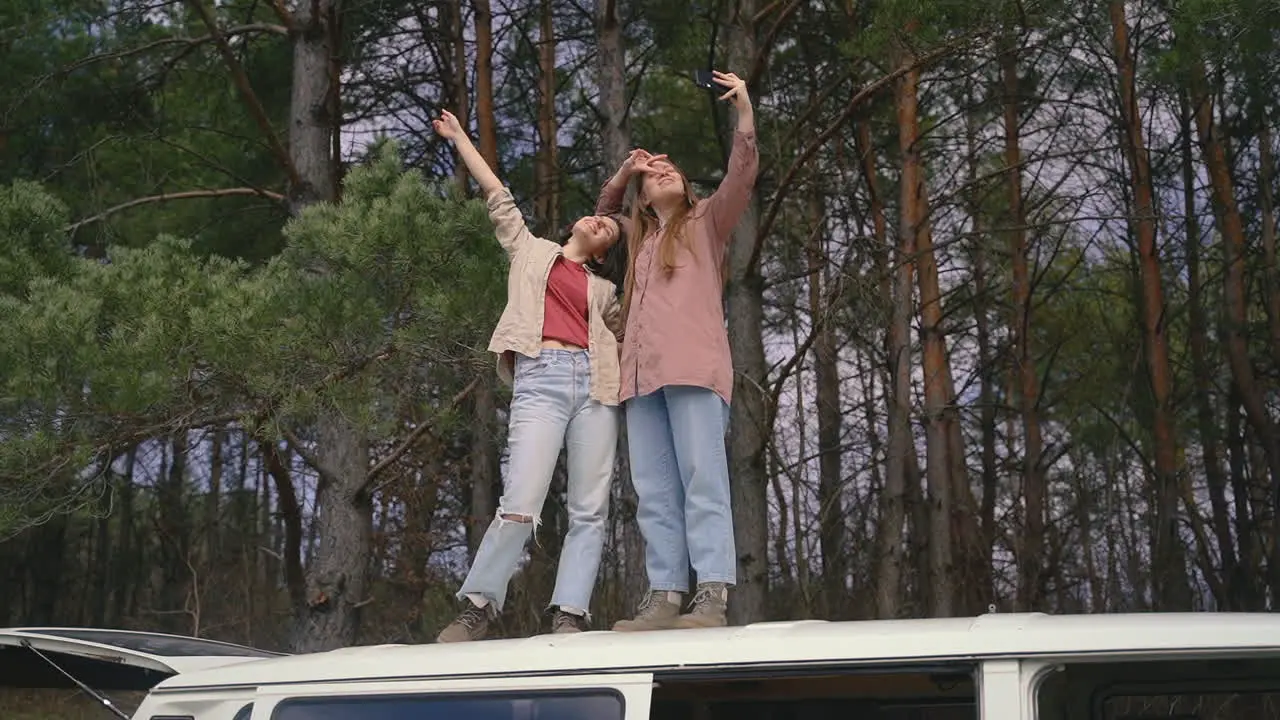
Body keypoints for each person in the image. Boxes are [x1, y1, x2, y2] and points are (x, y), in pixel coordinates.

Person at [432, 109, 627, 642]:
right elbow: (496, 189)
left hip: (596, 388)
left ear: (607, 251)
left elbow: (635, 329)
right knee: (520, 502)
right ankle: (477, 605)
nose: (598, 221)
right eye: (597, 217)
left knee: (589, 507)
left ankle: (570, 612)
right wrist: (459, 138)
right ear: (575, 226)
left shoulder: (606, 292)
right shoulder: (530, 250)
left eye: (607, 228)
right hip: (540, 379)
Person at [594, 70, 759, 631]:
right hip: (639, 383)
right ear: (642, 197)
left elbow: (741, 176)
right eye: (653, 172)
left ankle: (711, 593)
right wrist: (625, 173)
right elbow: (598, 221)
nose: (661, 171)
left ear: (687, 190)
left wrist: (743, 114)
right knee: (653, 492)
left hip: (693, 370)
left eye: (671, 169)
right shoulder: (638, 241)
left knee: (702, 480)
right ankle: (664, 595)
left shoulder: (706, 222)